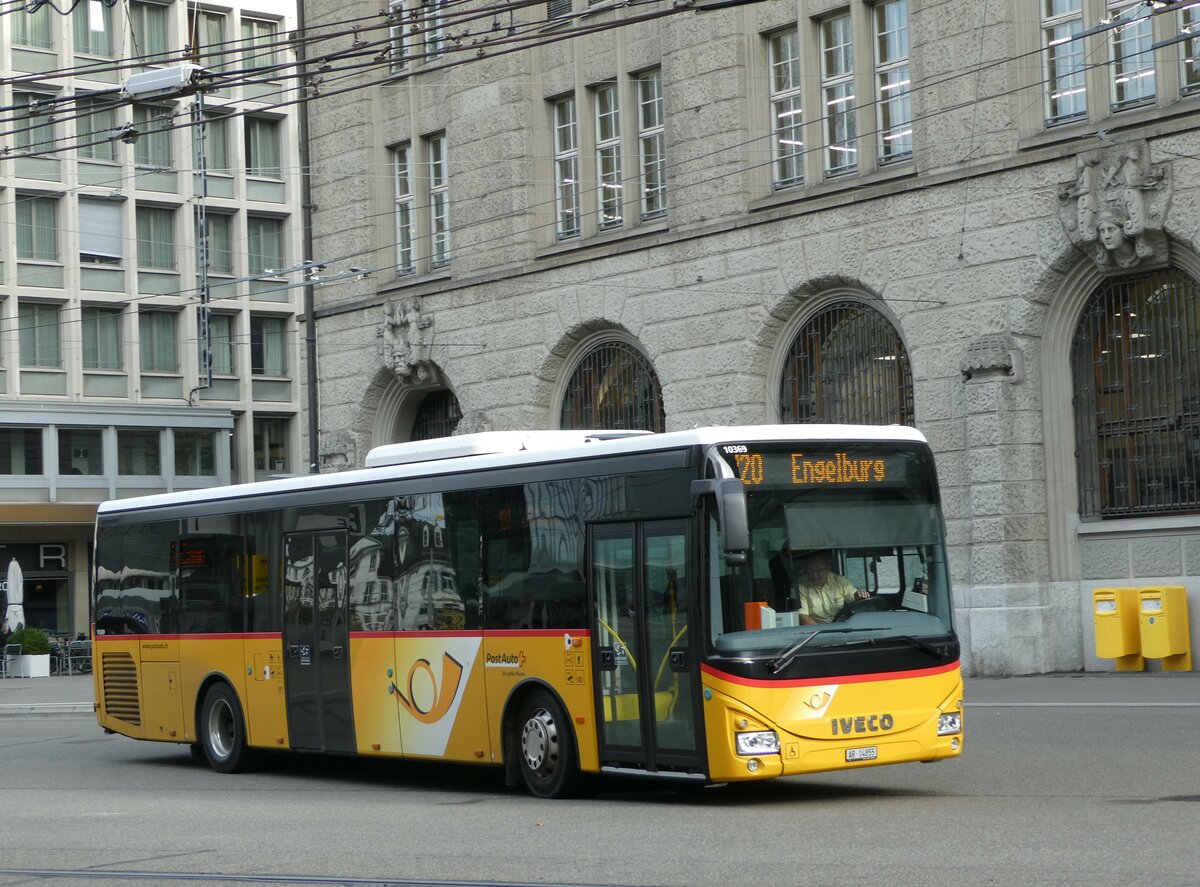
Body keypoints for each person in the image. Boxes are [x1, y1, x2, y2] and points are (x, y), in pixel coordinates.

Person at [794, 550, 869, 625]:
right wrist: (822, 633)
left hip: (842, 626)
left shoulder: (841, 582)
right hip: (816, 629)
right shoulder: (800, 586)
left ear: (827, 569)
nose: (815, 576)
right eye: (810, 571)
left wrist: (859, 595)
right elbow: (803, 616)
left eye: (819, 570)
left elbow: (856, 602)